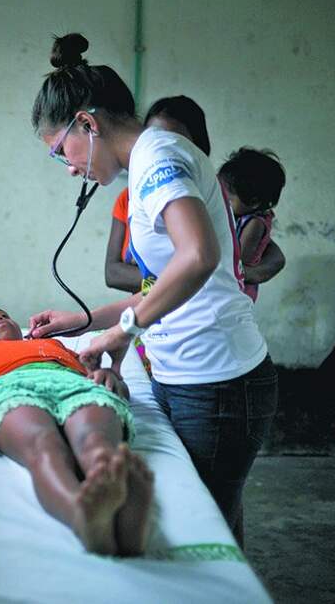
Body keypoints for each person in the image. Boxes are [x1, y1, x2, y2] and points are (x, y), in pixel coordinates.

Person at [27, 33, 278, 546]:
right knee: (208, 525)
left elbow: (199, 257)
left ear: (87, 124)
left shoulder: (158, 159)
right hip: (192, 373)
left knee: (205, 533)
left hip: (216, 381)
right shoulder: (150, 161)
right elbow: (165, 285)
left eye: (61, 153)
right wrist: (85, 321)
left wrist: (124, 333)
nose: (70, 167)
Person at [0, 302, 153, 556]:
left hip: (73, 384)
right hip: (9, 388)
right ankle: (82, 517)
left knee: (95, 441)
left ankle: (124, 516)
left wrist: (112, 377)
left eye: (2, 314)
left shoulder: (55, 345)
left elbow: (115, 391)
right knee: (42, 446)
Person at [105, 97, 286, 297]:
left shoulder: (210, 196)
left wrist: (237, 274)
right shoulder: (128, 198)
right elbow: (112, 274)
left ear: (197, 147)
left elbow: (274, 258)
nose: (160, 146)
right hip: (155, 309)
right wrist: (181, 280)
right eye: (151, 137)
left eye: (173, 138)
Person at [218, 147, 286, 301]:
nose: (222, 203)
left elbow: (238, 258)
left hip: (240, 289)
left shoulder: (255, 223)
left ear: (254, 202)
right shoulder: (240, 214)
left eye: (229, 200)